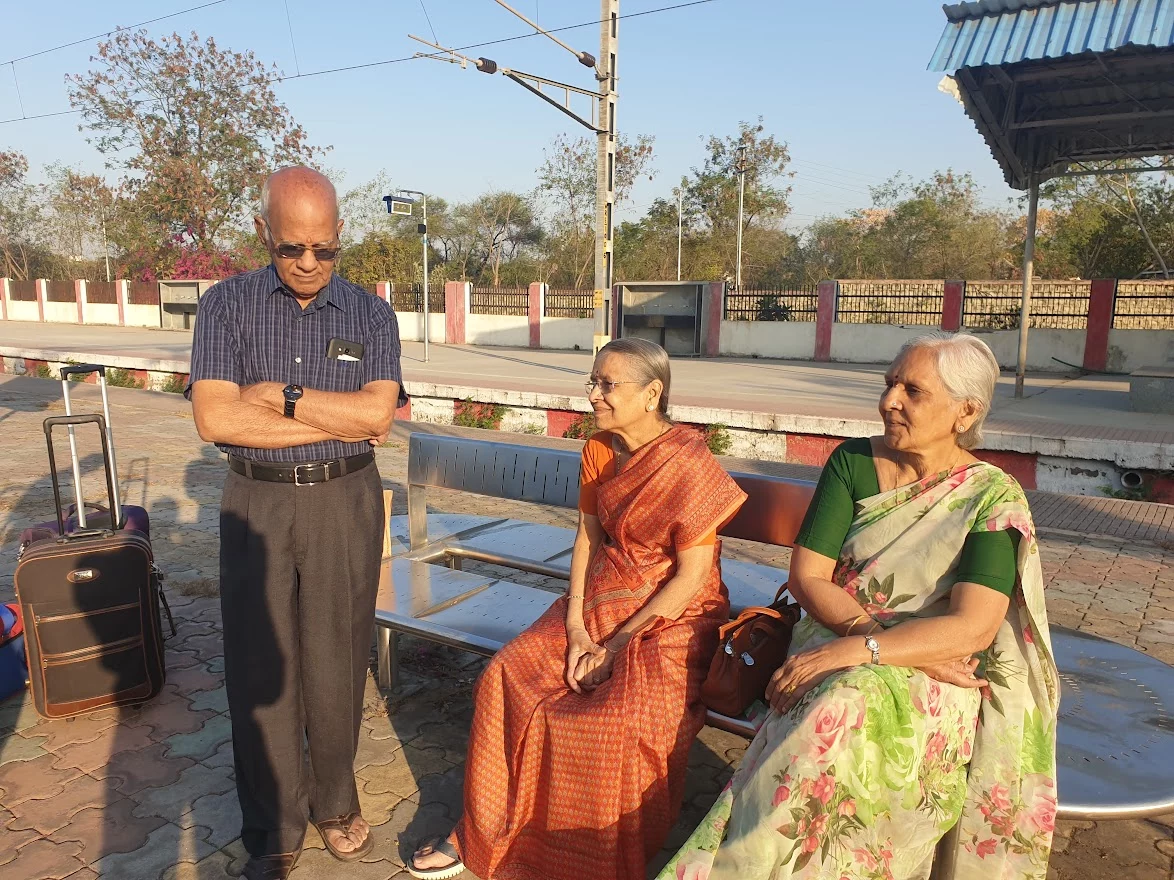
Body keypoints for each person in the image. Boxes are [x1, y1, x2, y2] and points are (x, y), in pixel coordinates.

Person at [659, 333, 1059, 880]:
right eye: (890, 384)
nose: (889, 400)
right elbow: (808, 576)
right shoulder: (853, 461)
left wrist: (870, 653)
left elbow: (973, 626)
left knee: (849, 700)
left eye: (912, 390)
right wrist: (862, 641)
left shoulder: (992, 497)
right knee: (842, 700)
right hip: (837, 636)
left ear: (965, 411)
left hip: (935, 670)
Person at [408, 338, 748, 880]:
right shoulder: (599, 450)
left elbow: (692, 575)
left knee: (619, 722)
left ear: (652, 393)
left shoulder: (687, 462)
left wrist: (613, 648)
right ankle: (482, 830)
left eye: (606, 384)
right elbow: (588, 539)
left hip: (675, 614)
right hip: (600, 596)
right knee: (506, 676)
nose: (592, 395)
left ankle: (590, 862)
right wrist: (573, 628)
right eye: (592, 381)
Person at [187, 166, 405, 880]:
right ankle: (274, 820)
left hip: (346, 503)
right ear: (264, 235)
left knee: (339, 657)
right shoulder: (226, 307)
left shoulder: (371, 315)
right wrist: (329, 419)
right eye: (290, 248)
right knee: (260, 665)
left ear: (340, 237)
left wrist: (278, 398)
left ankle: (336, 803)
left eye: (323, 249)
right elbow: (215, 418)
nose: (308, 263)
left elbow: (376, 415)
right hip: (258, 502)